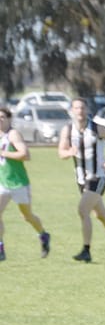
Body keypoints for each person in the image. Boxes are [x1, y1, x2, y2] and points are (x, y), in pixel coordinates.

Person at [58, 98, 105, 263]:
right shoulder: (68, 130)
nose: (80, 111)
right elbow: (61, 152)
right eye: (76, 108)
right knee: (100, 215)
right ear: (72, 111)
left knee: (83, 210)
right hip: (81, 179)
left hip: (98, 176)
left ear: (87, 109)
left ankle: (86, 250)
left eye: (82, 108)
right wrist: (69, 153)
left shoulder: (97, 128)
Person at [0, 106, 51, 262]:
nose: (0, 120)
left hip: (18, 183)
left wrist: (3, 153)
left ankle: (43, 235)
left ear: (9, 119)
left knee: (27, 216)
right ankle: (0, 248)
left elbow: (25, 155)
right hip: (2, 183)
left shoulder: (12, 134)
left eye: (2, 117)